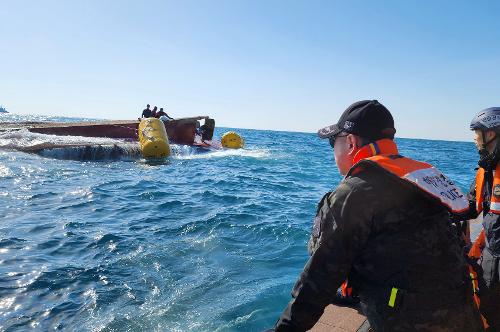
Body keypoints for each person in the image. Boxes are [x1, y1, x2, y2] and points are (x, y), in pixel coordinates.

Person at [273, 100, 483, 331]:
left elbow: (319, 279)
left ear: (351, 142)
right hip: (464, 312)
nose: (332, 151)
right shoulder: (421, 179)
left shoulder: (354, 192)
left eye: (333, 142)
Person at [468, 107, 500, 331]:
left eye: (477, 133)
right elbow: (468, 206)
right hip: (492, 255)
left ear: (490, 134)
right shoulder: (485, 170)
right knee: (489, 310)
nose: (474, 139)